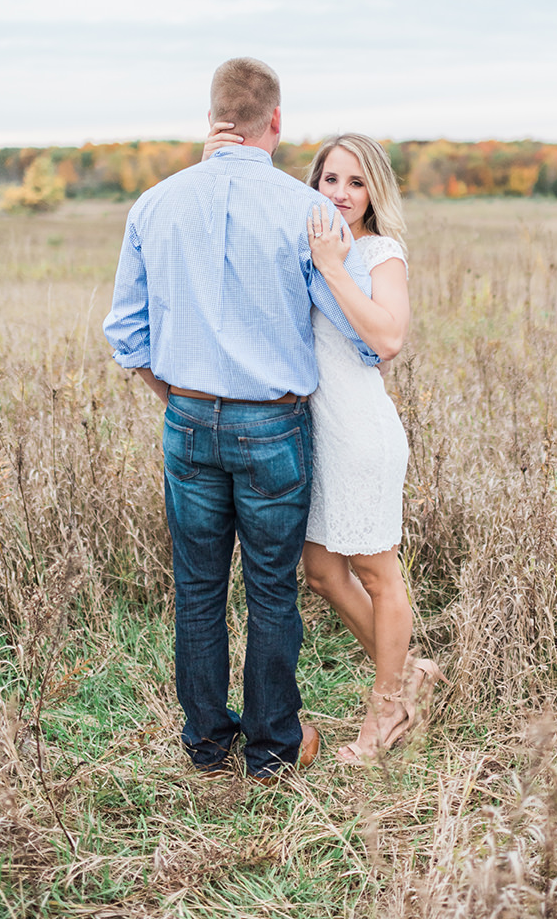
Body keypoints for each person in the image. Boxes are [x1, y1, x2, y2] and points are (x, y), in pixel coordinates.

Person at [103, 57, 381, 784]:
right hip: (274, 428)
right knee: (269, 590)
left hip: (188, 421)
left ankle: (205, 744)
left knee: (196, 588)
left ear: (211, 119)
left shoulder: (154, 204)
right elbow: (360, 338)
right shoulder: (309, 211)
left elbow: (125, 335)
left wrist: (180, 400)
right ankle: (270, 750)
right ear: (277, 123)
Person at [203, 124, 445, 764]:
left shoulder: (378, 253)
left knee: (377, 569)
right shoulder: (301, 242)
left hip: (360, 432)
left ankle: (386, 709)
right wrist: (215, 166)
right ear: (312, 183)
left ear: (375, 191)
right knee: (320, 570)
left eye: (356, 182)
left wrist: (336, 268)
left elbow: (388, 339)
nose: (340, 193)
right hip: (311, 435)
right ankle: (408, 674)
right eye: (329, 179)